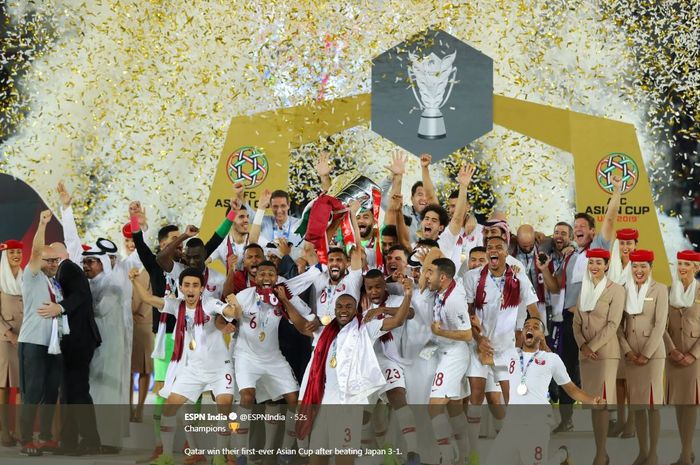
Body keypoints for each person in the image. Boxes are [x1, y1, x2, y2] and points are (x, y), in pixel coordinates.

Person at [130, 267, 239, 465]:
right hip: (193, 370)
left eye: (195, 285)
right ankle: (167, 456)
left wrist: (233, 306)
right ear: (180, 287)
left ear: (202, 288)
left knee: (224, 408)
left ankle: (220, 456)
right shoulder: (175, 306)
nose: (191, 289)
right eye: (187, 285)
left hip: (219, 369)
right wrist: (133, 280)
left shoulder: (209, 304)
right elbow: (147, 298)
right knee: (169, 408)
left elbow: (229, 311)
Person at [295, 284, 412, 465]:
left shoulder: (366, 328)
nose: (344, 310)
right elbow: (303, 327)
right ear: (334, 310)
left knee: (344, 459)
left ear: (355, 309)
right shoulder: (326, 332)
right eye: (340, 307)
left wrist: (408, 295)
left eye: (349, 306)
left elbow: (397, 321)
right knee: (317, 458)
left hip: (348, 405)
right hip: (325, 403)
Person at [228, 260, 317, 460]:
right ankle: (241, 453)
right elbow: (225, 316)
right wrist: (226, 324)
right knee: (247, 396)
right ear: (255, 277)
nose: (266, 277)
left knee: (294, 400)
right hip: (246, 356)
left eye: (271, 273)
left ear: (276, 277)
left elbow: (305, 321)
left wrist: (285, 301)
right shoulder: (244, 296)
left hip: (273, 357)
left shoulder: (282, 295)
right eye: (262, 273)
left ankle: (289, 451)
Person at [464, 235, 540, 464]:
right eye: (490, 247)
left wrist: (533, 338)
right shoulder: (473, 277)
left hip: (507, 348)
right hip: (480, 347)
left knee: (511, 400)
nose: (493, 250)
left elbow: (533, 311)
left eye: (499, 247)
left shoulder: (518, 277)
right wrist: (478, 339)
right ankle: (473, 453)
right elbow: (468, 313)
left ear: (507, 253)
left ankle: (519, 448)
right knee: (476, 395)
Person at [485, 316, 602, 465]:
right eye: (526, 325)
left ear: (542, 335)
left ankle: (562, 455)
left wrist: (592, 400)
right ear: (522, 334)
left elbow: (571, 389)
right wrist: (478, 331)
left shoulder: (551, 359)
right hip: (512, 424)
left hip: (537, 424)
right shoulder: (511, 354)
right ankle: (562, 455)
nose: (529, 328)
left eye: (535, 327)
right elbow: (485, 359)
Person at [554, 176, 622, 433]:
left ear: (592, 232)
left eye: (583, 225)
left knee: (599, 371)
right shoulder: (571, 256)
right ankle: (566, 419)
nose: (579, 228)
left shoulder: (599, 247)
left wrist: (615, 191)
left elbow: (611, 219)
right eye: (576, 225)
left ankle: (611, 420)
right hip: (572, 322)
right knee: (566, 370)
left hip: (595, 321)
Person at [361, 269, 420, 465]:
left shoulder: (396, 300)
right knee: (364, 413)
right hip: (368, 362)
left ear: (384, 286)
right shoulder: (361, 307)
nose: (374, 291)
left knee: (397, 398)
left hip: (390, 360)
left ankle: (413, 453)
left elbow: (409, 313)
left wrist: (383, 310)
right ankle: (381, 452)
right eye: (370, 288)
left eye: (378, 286)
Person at [572, 248, 625, 465]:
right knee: (593, 403)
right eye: (591, 262)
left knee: (602, 401)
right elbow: (576, 323)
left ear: (606, 265)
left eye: (598, 263)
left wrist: (591, 346)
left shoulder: (616, 290)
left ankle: (601, 453)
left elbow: (613, 324)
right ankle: (599, 449)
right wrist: (583, 345)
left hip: (605, 353)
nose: (594, 266)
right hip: (586, 354)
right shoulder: (583, 288)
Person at [16, 212, 62, 456]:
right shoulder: (32, 276)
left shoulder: (54, 283)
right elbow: (35, 252)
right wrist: (43, 225)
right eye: (49, 261)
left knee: (51, 391)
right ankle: (26, 440)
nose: (53, 264)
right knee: (32, 394)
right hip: (33, 343)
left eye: (56, 261)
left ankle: (44, 437)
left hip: (53, 345)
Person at [618, 249, 668, 465]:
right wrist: (628, 350)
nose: (639, 271)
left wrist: (646, 354)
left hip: (653, 354)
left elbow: (660, 324)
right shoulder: (622, 290)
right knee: (637, 404)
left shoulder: (660, 289)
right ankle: (642, 451)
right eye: (635, 266)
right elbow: (617, 326)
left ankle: (654, 453)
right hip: (630, 353)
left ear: (650, 267)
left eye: (643, 266)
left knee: (653, 403)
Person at [424, 257, 473, 465]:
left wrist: (440, 331)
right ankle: (466, 457)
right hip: (444, 351)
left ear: (442, 277)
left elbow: (467, 334)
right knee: (454, 409)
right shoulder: (444, 290)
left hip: (454, 356)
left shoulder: (453, 301)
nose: (427, 276)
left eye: (431, 273)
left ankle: (447, 456)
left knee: (434, 407)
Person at [664, 250, 700, 465]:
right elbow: (661, 325)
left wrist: (693, 354)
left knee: (690, 403)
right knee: (679, 403)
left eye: (687, 264)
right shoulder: (669, 292)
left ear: (696, 268)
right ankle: (687, 448)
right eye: (680, 264)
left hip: (696, 358)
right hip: (674, 356)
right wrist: (671, 350)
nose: (682, 268)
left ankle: (685, 455)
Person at [607, 228, 639, 438]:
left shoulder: (640, 267)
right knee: (618, 379)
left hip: (633, 326)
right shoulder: (611, 267)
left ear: (636, 245)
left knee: (632, 380)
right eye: (622, 243)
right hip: (614, 327)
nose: (625, 247)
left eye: (629, 243)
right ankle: (620, 419)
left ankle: (632, 423)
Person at [0, 240, 23, 447]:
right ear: (5, 255)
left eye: (18, 252)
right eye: (12, 252)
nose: (16, 255)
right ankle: (4, 430)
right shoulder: (0, 279)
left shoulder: (26, 278)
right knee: (4, 386)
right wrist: (9, 334)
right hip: (5, 340)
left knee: (21, 386)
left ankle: (18, 430)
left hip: (25, 337)